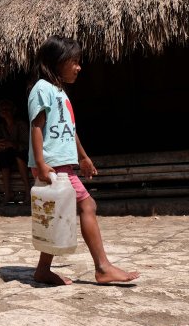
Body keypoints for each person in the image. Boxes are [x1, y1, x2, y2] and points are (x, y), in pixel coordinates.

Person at [28, 36, 140, 285]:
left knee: (58, 214)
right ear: (57, 62)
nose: (79, 67)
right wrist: (41, 163)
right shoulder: (42, 89)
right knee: (88, 206)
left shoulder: (60, 92)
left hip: (62, 164)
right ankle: (102, 267)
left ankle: (43, 270)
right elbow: (36, 126)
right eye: (74, 62)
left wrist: (83, 156)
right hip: (53, 165)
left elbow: (70, 129)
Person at [0, 99, 31, 204]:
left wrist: (12, 144)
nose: (4, 111)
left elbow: (27, 145)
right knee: (2, 156)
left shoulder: (21, 125)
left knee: (19, 156)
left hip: (24, 153)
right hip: (10, 154)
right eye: (2, 109)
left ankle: (28, 192)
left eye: (7, 109)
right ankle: (7, 193)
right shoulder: (1, 127)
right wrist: (2, 145)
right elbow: (1, 142)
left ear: (13, 111)